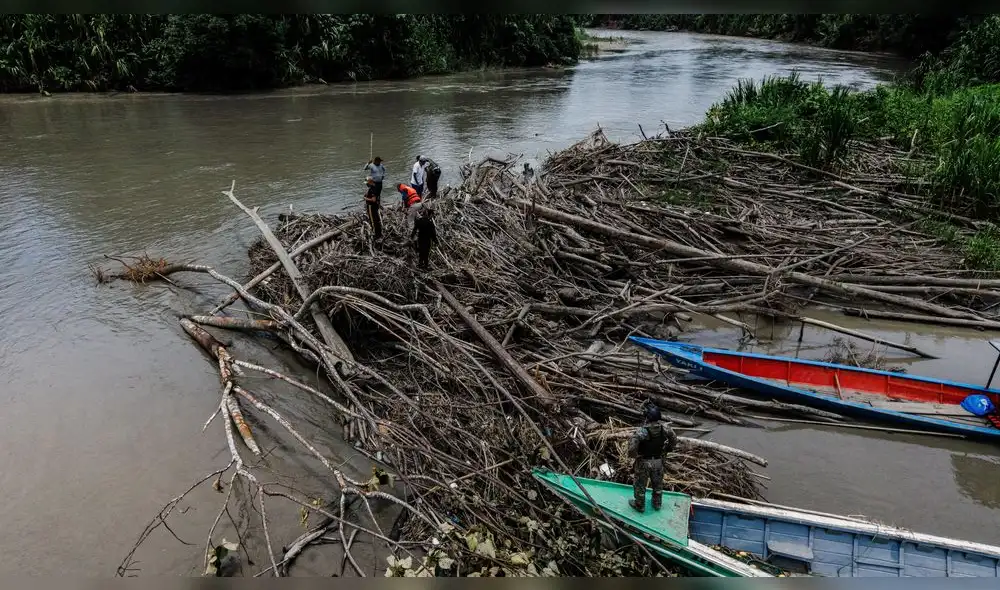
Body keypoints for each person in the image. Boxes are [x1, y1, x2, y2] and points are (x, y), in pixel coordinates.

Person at [628, 403, 677, 513]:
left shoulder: (641, 431)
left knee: (640, 485)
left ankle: (640, 505)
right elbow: (674, 440)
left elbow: (631, 449)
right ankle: (657, 504)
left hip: (644, 462)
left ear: (647, 417)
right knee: (658, 485)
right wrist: (666, 449)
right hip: (658, 461)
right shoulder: (665, 428)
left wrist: (636, 456)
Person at [410, 202, 437, 270]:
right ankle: (425, 266)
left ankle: (420, 264)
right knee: (426, 253)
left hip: (420, 239)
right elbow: (433, 234)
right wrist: (436, 241)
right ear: (429, 215)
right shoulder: (430, 223)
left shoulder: (419, 221)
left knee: (421, 252)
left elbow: (414, 230)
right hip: (427, 240)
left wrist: (411, 237)